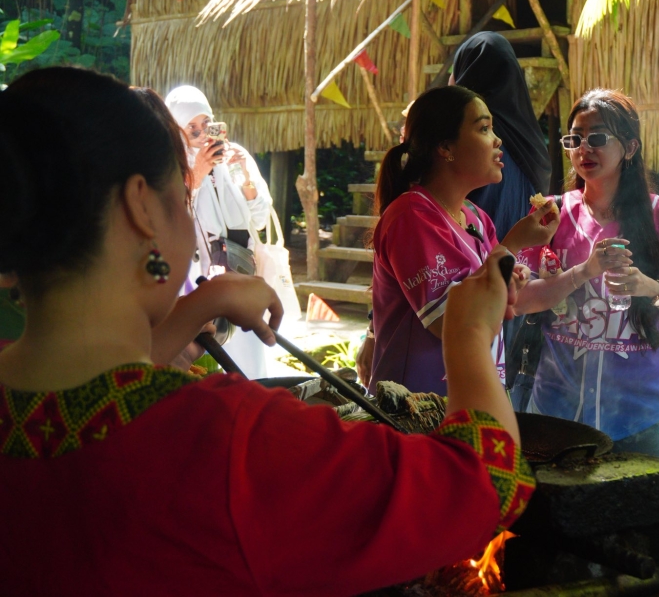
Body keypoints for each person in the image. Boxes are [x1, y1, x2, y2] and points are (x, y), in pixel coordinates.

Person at [0, 67, 535, 595]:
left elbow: (97, 389)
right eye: (184, 200)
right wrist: (466, 333)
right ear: (142, 208)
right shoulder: (228, 440)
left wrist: (195, 308)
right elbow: (485, 487)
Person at [513, 89, 659, 461]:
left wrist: (649, 288)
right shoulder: (551, 216)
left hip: (638, 416)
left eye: (598, 138)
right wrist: (581, 273)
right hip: (556, 410)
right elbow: (518, 300)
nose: (584, 148)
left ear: (630, 148)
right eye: (575, 138)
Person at [369, 85, 559, 396]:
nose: (498, 141)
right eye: (484, 128)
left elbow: (504, 302)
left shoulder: (475, 217)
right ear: (446, 148)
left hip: (472, 399)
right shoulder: (410, 215)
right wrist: (511, 246)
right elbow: (449, 323)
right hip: (417, 410)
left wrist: (516, 278)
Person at [164, 85, 274, 379]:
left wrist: (246, 179)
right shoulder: (172, 167)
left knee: (250, 356)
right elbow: (172, 224)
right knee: (213, 349)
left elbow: (260, 218)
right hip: (200, 278)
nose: (202, 135)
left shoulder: (235, 156)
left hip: (242, 269)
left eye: (207, 124)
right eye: (192, 128)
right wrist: (197, 172)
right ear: (176, 129)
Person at [451, 31, 551, 240]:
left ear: (469, 71)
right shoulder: (530, 139)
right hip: (522, 266)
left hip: (472, 261)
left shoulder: (466, 139)